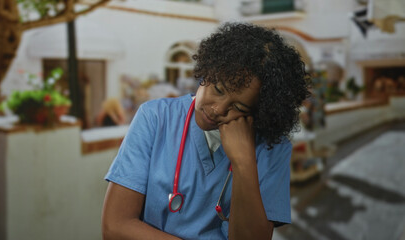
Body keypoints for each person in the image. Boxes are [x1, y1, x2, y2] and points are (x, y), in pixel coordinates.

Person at [102, 22, 310, 240]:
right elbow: (115, 227)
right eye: (218, 89)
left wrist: (243, 162)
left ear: (260, 112)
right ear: (209, 69)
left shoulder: (272, 148)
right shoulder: (155, 118)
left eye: (239, 108)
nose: (218, 109)